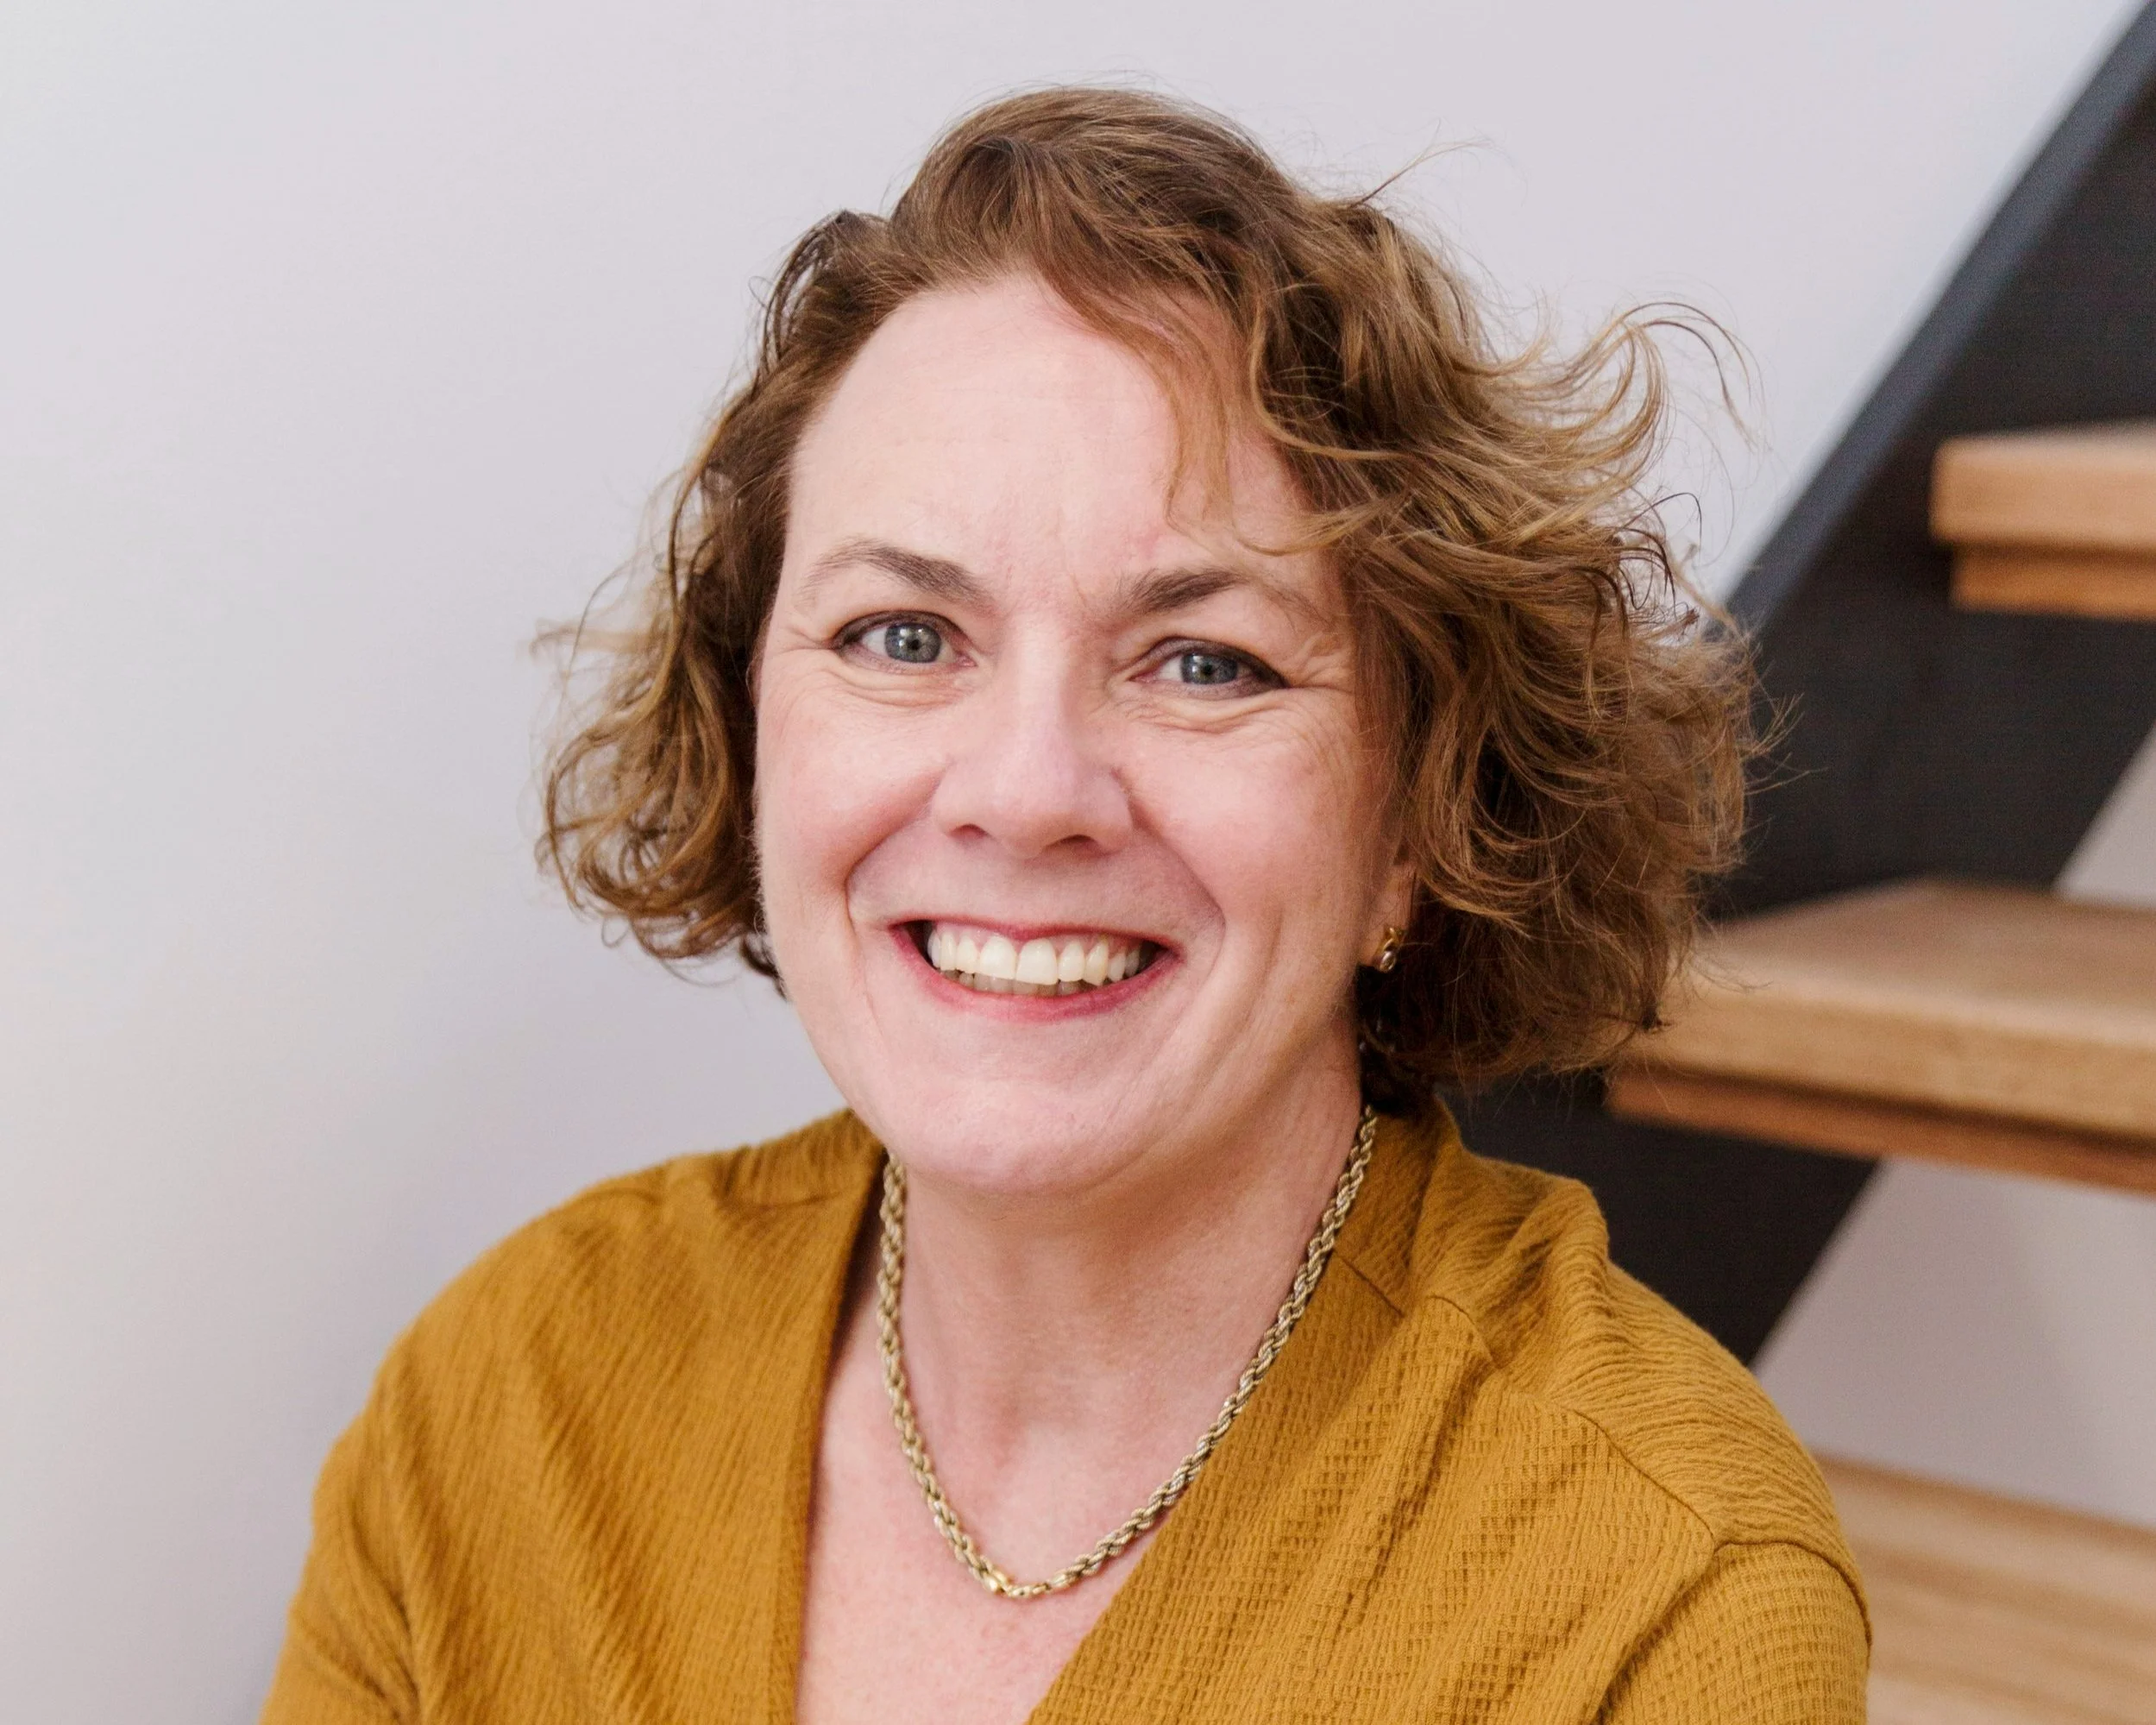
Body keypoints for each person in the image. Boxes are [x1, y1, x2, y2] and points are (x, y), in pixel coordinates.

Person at [261, 87, 1867, 1724]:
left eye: (1204, 662)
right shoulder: (515, 1387)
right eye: (902, 636)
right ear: (751, 733)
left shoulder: (1660, 1588)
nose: (1026, 791)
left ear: (1415, 819)